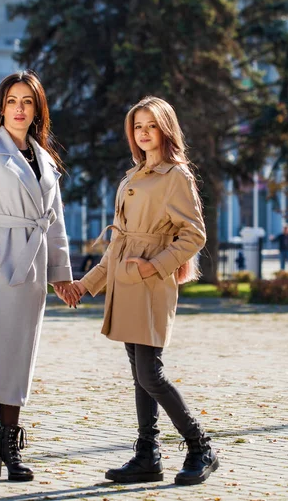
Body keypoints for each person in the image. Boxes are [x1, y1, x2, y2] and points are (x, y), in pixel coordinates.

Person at [72, 96, 219, 486]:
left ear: (165, 129)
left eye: (151, 125)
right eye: (137, 126)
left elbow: (194, 235)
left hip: (150, 283)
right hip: (125, 283)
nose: (143, 133)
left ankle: (200, 446)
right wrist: (84, 287)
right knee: (140, 376)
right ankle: (146, 457)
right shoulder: (132, 177)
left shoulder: (176, 176)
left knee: (150, 374)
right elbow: (118, 243)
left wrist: (155, 266)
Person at [0, 70, 80, 482]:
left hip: (34, 267)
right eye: (12, 101)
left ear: (37, 108)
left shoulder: (45, 159)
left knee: (19, 356)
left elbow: (53, 220)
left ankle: (9, 443)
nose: (19, 108)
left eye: (27, 101)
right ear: (1, 107)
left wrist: (60, 272)